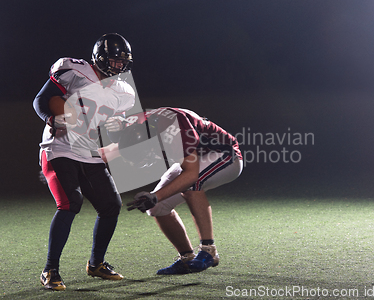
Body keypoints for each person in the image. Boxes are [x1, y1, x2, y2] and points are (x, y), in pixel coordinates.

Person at [32, 33, 135, 291]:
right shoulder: (76, 71)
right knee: (70, 202)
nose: (118, 67)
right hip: (59, 146)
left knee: (111, 205)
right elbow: (41, 100)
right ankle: (50, 269)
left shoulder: (124, 91)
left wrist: (118, 127)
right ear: (99, 58)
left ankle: (96, 263)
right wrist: (50, 118)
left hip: (88, 149)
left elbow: (114, 126)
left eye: (122, 62)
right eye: (113, 61)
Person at [119, 107, 243, 275]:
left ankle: (209, 250)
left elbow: (191, 175)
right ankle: (187, 258)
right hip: (192, 156)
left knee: (190, 185)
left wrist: (155, 196)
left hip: (224, 154)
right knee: (157, 207)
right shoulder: (138, 124)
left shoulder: (175, 131)